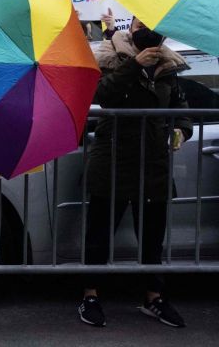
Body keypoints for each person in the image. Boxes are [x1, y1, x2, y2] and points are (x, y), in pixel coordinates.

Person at [78, 19, 192, 329]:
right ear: (132, 25)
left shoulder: (169, 66)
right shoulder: (112, 55)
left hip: (153, 164)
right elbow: (102, 94)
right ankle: (90, 295)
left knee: (152, 238)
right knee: (100, 235)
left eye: (153, 22)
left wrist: (181, 130)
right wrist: (133, 66)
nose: (146, 27)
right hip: (113, 161)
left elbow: (180, 108)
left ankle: (153, 298)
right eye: (141, 20)